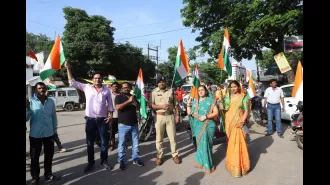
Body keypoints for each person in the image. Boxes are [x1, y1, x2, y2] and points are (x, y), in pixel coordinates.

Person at [65, 61, 114, 172]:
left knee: (104, 143)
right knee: (90, 143)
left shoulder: (107, 90)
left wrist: (110, 115)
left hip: (102, 121)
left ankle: (104, 161)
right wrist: (68, 68)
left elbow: (110, 104)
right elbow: (72, 82)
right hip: (90, 120)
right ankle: (90, 163)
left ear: (102, 80)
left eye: (99, 78)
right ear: (92, 80)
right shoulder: (86, 87)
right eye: (95, 78)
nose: (97, 80)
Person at [26, 82, 61, 185]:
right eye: (39, 88)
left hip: (49, 133)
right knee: (34, 157)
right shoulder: (31, 102)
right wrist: (27, 108)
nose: (42, 90)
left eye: (43, 88)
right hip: (35, 135)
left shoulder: (50, 101)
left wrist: (55, 130)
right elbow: (26, 118)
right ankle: (35, 177)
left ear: (46, 89)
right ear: (36, 90)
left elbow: (53, 117)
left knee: (49, 155)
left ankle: (48, 173)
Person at [186, 85, 219, 173]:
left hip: (208, 124)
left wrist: (206, 116)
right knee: (200, 144)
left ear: (206, 91)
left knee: (206, 145)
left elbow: (216, 112)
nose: (200, 92)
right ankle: (200, 162)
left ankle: (208, 165)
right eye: (199, 90)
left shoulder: (210, 100)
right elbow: (189, 113)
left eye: (202, 90)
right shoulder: (195, 102)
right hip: (198, 126)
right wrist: (188, 103)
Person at [150, 76, 181, 165]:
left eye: (163, 82)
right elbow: (151, 105)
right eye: (160, 82)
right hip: (159, 117)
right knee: (159, 138)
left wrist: (177, 115)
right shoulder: (154, 92)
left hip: (170, 116)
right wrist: (161, 107)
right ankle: (159, 156)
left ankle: (175, 155)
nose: (162, 83)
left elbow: (176, 105)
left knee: (173, 137)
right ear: (157, 83)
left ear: (165, 83)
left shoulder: (171, 91)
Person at [115, 82, 145, 170]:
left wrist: (136, 103)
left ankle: (136, 158)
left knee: (135, 143)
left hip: (134, 124)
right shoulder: (119, 97)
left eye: (127, 87)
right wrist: (128, 101)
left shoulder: (133, 97)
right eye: (124, 87)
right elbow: (118, 107)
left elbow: (139, 107)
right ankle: (121, 161)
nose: (126, 88)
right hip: (123, 125)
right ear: (121, 89)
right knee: (122, 144)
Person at [224, 80, 250, 178]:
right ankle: (232, 165)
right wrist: (222, 100)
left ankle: (240, 167)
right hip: (229, 122)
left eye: (235, 86)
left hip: (238, 123)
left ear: (238, 87)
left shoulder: (243, 96)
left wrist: (242, 121)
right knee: (231, 144)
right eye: (231, 87)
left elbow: (246, 110)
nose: (233, 88)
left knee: (238, 144)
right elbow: (225, 108)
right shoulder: (228, 96)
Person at [109, 82, 120, 151]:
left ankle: (121, 144)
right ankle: (112, 144)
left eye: (116, 86)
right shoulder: (109, 95)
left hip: (121, 116)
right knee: (112, 132)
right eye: (113, 86)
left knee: (121, 131)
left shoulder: (121, 95)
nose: (115, 87)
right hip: (112, 116)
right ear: (111, 87)